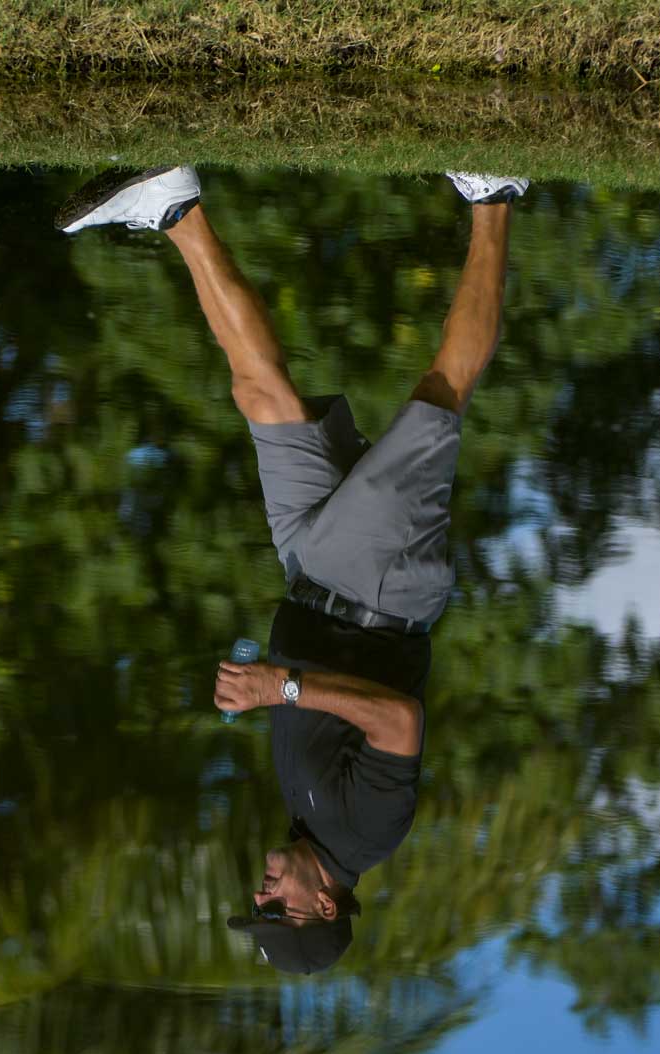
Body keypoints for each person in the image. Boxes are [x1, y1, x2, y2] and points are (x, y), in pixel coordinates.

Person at [57, 166, 525, 973]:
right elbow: (399, 724)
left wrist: (272, 676)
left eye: (257, 904)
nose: (264, 892)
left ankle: (173, 206)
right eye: (276, 908)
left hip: (308, 564)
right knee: (439, 394)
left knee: (259, 391)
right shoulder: (367, 833)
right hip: (379, 584)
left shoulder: (309, 821)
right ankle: (495, 197)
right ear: (325, 906)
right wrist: (282, 690)